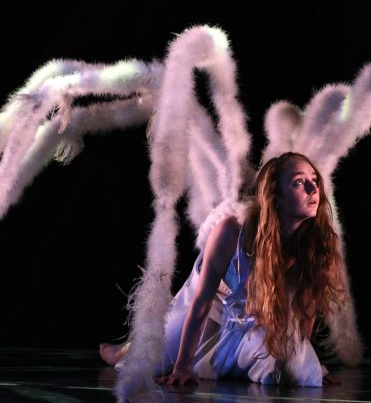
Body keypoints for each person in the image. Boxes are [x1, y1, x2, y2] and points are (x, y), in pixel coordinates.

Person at [99, 152, 347, 386]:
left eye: (314, 180)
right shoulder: (232, 231)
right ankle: (124, 349)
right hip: (211, 303)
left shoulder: (316, 242)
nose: (313, 189)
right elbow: (202, 301)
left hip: (250, 313)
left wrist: (308, 362)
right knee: (156, 359)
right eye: (298, 183)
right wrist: (183, 367)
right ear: (276, 197)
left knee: (293, 370)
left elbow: (305, 310)